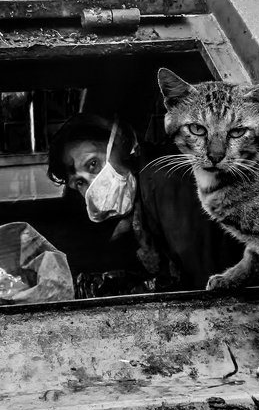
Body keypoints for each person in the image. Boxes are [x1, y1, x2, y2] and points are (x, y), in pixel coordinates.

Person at [46, 113, 243, 292]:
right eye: (80, 182)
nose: (93, 186)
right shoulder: (142, 199)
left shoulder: (164, 180)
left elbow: (207, 287)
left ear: (120, 144)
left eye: (93, 164)